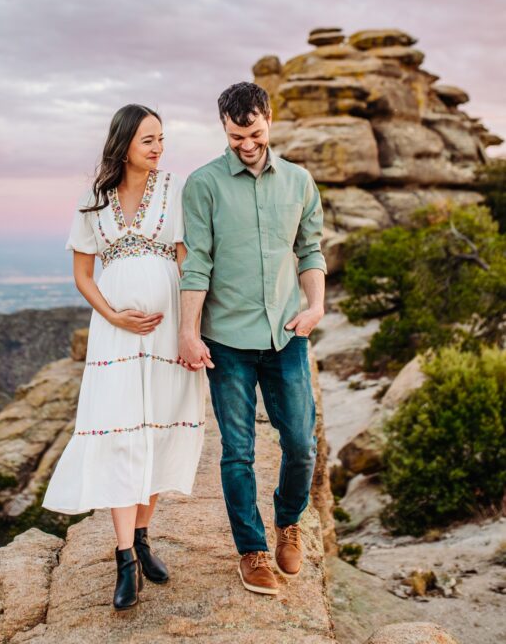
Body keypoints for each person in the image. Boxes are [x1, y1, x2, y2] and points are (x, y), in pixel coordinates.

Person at [41, 103, 206, 611]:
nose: (159, 148)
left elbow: (185, 258)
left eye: (162, 139)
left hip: (164, 337)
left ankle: (142, 537)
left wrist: (188, 328)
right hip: (114, 338)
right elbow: (83, 275)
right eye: (149, 140)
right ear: (125, 144)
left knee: (155, 430)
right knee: (119, 435)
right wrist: (114, 317)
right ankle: (123, 560)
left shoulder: (174, 189)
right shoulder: (95, 198)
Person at [177, 82, 327, 596]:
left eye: (255, 133)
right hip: (227, 341)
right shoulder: (203, 185)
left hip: (287, 335)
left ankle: (290, 523)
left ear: (269, 120)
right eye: (237, 134)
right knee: (237, 450)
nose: (247, 143)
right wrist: (188, 332)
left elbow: (310, 252)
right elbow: (196, 264)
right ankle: (253, 550)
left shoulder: (301, 182)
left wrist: (317, 306)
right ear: (224, 126)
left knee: (301, 444)